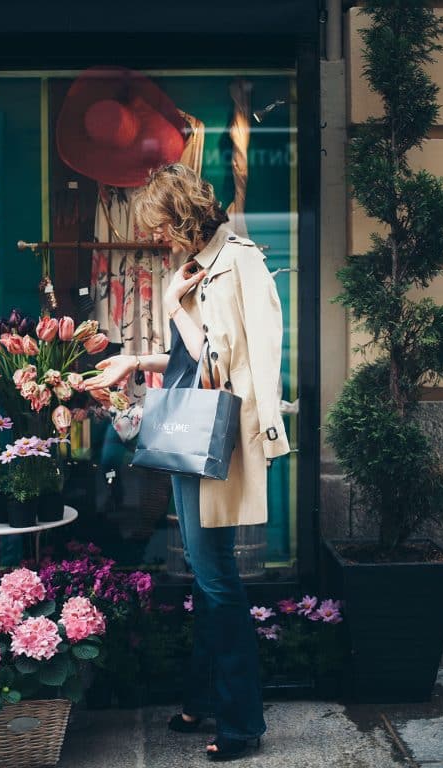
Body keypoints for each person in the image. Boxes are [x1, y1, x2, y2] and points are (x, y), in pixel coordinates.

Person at [85, 163, 290, 761]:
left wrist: (176, 303)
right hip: (191, 435)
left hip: (218, 439)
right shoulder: (203, 263)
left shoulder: (240, 261)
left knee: (218, 580)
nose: (161, 239)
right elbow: (184, 356)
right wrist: (130, 364)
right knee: (207, 576)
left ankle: (241, 725)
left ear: (182, 215)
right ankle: (201, 700)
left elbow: (234, 356)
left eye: (163, 226)